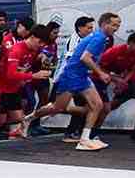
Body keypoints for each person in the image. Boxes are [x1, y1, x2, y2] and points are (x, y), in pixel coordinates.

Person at [25, 11, 121, 151]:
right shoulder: (99, 38)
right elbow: (85, 58)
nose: (116, 28)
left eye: (118, 25)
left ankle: (85, 139)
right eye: (114, 25)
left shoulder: (99, 37)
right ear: (105, 24)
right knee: (56, 108)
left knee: (97, 105)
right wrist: (100, 73)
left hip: (81, 75)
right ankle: (29, 118)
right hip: (72, 75)